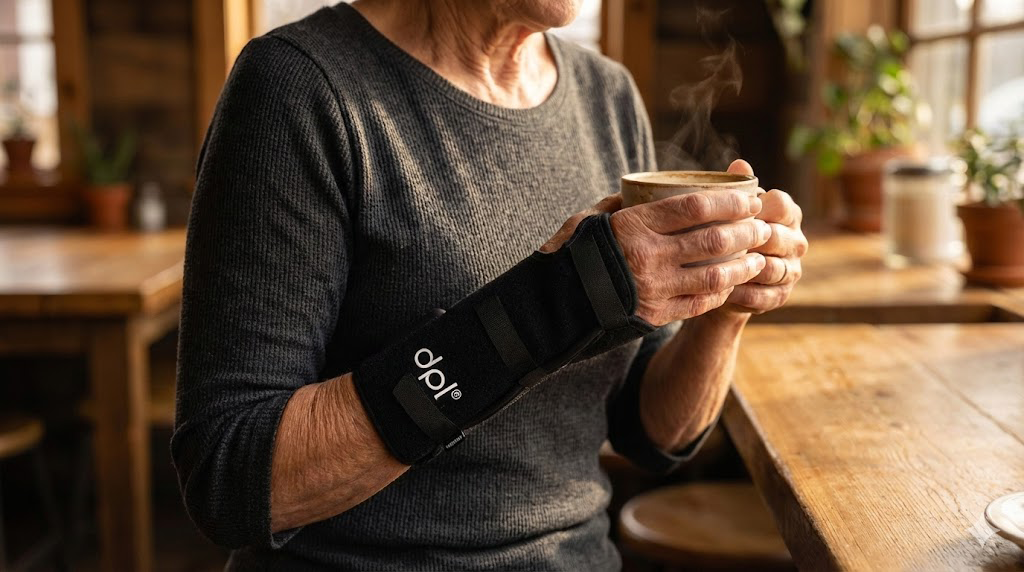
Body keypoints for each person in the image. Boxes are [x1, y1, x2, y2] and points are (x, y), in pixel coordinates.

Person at [171, 0, 808, 569]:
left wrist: (723, 305)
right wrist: (558, 303)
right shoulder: (299, 85)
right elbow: (231, 478)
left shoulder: (607, 95)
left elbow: (647, 431)